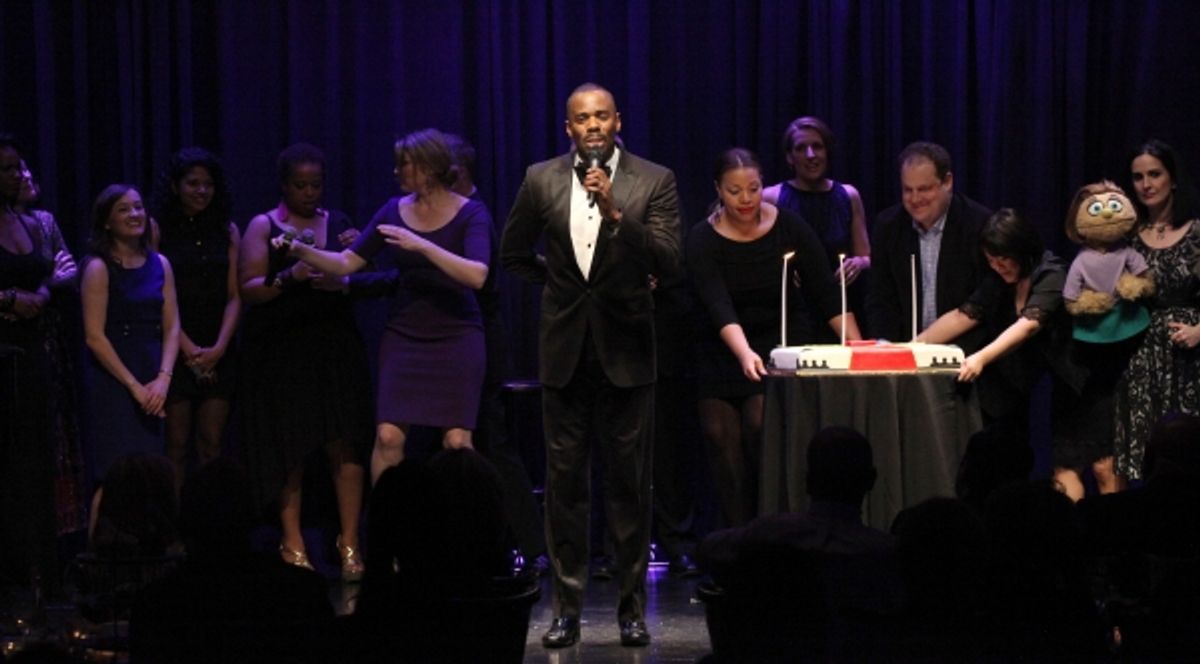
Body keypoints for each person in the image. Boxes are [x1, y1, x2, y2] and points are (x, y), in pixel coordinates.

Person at [500, 82, 681, 648]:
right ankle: (567, 610)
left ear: (618, 121)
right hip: (566, 352)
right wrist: (560, 289)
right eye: (583, 118)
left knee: (629, 486)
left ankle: (631, 609)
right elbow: (513, 254)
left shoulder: (654, 179)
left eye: (602, 116)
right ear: (569, 128)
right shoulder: (540, 179)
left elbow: (670, 260)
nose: (594, 125)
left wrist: (614, 211)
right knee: (566, 487)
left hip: (627, 349)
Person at [275, 129, 491, 485]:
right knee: (389, 436)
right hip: (405, 335)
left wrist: (422, 246)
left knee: (456, 441)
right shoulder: (394, 209)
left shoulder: (472, 213)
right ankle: (388, 530)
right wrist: (299, 250)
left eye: (404, 165)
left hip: (457, 335)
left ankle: (460, 532)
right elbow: (347, 262)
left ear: (428, 166)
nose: (397, 172)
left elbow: (477, 275)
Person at [687, 147, 861, 527]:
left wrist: (857, 346)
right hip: (722, 345)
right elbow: (717, 304)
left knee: (759, 422)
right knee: (719, 434)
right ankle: (739, 533)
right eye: (735, 191)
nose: (746, 199)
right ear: (718, 189)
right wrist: (744, 353)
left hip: (778, 340)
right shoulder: (703, 238)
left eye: (753, 188)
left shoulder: (789, 226)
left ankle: (772, 525)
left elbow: (825, 293)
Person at [238, 143, 372, 580]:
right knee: (290, 445)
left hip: (334, 345)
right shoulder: (264, 225)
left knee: (344, 442)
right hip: (284, 350)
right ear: (284, 185)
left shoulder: (340, 223)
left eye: (316, 185)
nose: (310, 193)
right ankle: (291, 538)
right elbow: (250, 288)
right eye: (301, 185)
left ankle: (349, 540)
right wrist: (288, 277)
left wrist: (346, 274)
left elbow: (356, 273)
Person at [917, 208, 1114, 500]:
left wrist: (981, 357)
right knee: (1063, 469)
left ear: (1022, 249)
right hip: (1051, 382)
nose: (998, 267)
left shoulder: (1053, 272)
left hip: (1088, 378)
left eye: (1004, 259)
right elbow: (964, 315)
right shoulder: (1000, 278)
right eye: (991, 261)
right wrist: (910, 347)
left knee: (1102, 466)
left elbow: (1028, 326)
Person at [696, 426, 902, 661]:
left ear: (808, 480)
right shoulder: (886, 554)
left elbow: (706, 551)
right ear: (871, 480)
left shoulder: (767, 534)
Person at [80, 184, 180, 529]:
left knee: (150, 475)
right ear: (107, 221)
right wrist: (136, 388)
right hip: (116, 380)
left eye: (138, 207)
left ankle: (148, 560)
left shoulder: (161, 264)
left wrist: (163, 379)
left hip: (153, 376)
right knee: (114, 475)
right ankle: (98, 562)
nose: (135, 215)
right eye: (124, 209)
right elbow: (94, 336)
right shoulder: (98, 267)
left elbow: (172, 326)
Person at [0, 136, 74, 591]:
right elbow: (18, 294)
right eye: (6, 168)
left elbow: (45, 286)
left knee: (33, 466)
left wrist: (41, 294)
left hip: (29, 360)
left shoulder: (28, 220)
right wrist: (7, 298)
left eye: (17, 167)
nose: (16, 175)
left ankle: (39, 577)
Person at [150, 148, 241, 486]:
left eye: (208, 184)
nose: (201, 191)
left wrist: (218, 347)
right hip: (175, 344)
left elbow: (234, 296)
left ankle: (205, 525)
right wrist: (187, 349)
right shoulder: (159, 230)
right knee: (175, 445)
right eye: (193, 183)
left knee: (211, 443)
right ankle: (172, 529)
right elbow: (157, 294)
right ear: (175, 187)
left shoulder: (228, 230)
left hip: (218, 344)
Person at [1113, 139, 1200, 481]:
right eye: (1138, 177)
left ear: (1173, 178)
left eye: (1154, 174)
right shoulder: (1127, 236)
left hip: (1189, 359)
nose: (1146, 185)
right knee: (1145, 458)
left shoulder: (1196, 232)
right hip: (1140, 358)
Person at [14, 158, 88, 536]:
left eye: (27, 170)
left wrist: (50, 283)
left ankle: (59, 534)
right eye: (14, 171)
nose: (24, 176)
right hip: (15, 334)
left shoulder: (43, 222)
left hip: (49, 335)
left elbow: (70, 271)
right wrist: (48, 278)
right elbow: (55, 273)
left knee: (56, 430)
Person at [866, 142, 991, 348]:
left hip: (966, 355)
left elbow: (984, 303)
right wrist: (886, 345)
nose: (915, 199)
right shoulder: (888, 226)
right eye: (908, 190)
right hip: (904, 352)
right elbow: (880, 298)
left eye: (924, 189)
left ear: (947, 182)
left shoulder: (979, 225)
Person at [764, 116, 871, 340]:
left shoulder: (848, 195)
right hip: (792, 312)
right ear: (789, 157)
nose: (811, 155)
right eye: (801, 148)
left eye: (817, 147)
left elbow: (866, 255)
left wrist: (858, 263)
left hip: (841, 305)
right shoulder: (772, 197)